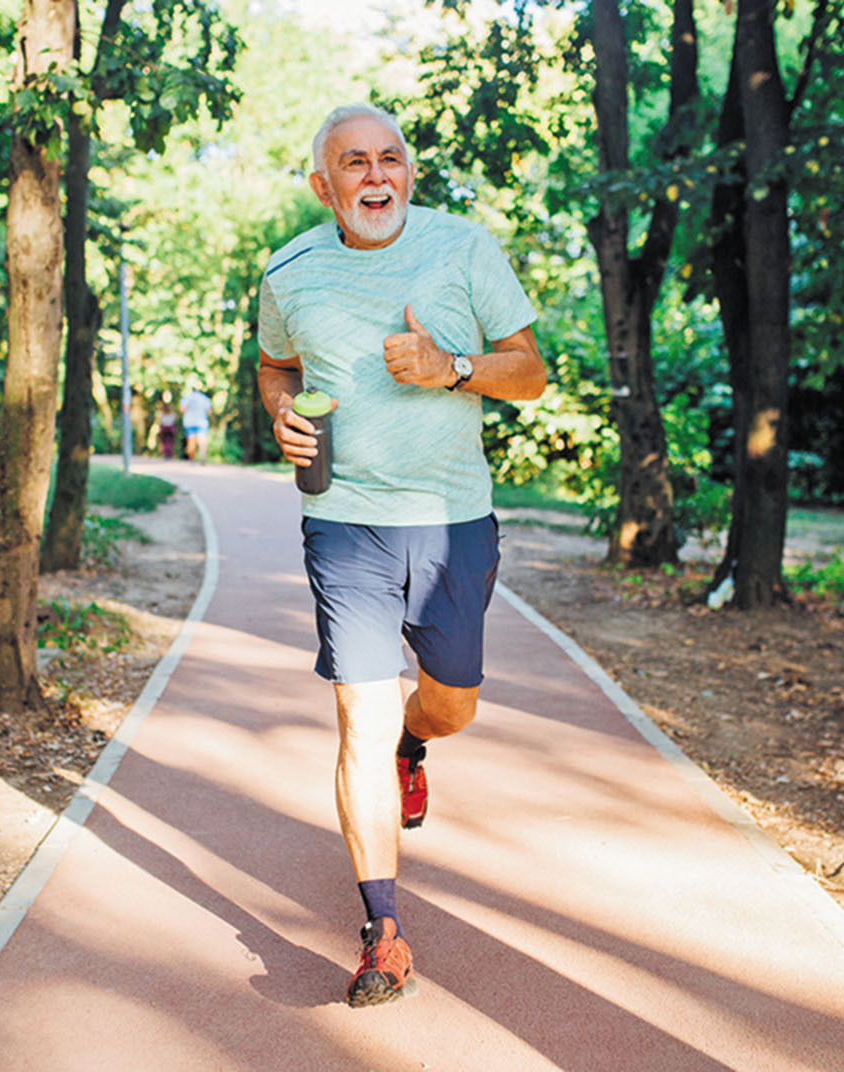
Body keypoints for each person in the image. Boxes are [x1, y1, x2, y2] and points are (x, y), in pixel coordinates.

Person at [256, 102, 545, 1008]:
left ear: (409, 173)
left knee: (449, 705)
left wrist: (451, 366)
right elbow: (273, 365)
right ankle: (382, 931)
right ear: (323, 185)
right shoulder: (289, 270)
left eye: (390, 160)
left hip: (454, 520)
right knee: (358, 723)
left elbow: (531, 375)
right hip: (344, 523)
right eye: (354, 163)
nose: (375, 176)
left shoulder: (464, 249)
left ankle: (418, 746)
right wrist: (281, 414)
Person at [179, 385, 212, 462]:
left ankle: (192, 459)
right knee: (202, 441)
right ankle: (203, 457)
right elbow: (209, 411)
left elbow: (182, 409)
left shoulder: (186, 397)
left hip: (189, 422)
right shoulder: (205, 398)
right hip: (202, 422)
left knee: (191, 441)